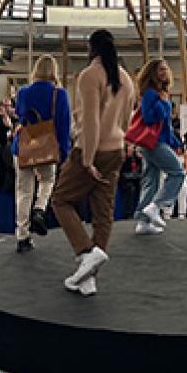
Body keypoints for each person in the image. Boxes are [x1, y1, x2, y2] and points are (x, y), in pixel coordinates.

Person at [52, 30, 134, 295]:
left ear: (91, 48)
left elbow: (91, 121)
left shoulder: (89, 75)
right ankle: (88, 276)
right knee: (103, 214)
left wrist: (87, 159)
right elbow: (126, 121)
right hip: (116, 150)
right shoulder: (126, 78)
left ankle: (86, 252)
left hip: (92, 150)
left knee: (60, 200)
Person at [13, 55, 71, 253]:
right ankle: (39, 209)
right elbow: (64, 125)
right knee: (47, 180)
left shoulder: (23, 92)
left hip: (23, 146)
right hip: (47, 146)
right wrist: (65, 152)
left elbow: (20, 114)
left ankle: (22, 237)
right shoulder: (59, 94)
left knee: (23, 191)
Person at [133, 59, 185, 235]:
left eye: (165, 69)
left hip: (155, 142)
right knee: (177, 173)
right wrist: (162, 103)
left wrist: (176, 143)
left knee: (151, 181)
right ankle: (156, 206)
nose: (164, 72)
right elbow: (149, 118)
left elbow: (165, 126)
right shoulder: (150, 94)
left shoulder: (160, 93)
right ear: (152, 73)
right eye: (160, 70)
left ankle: (143, 221)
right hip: (154, 144)